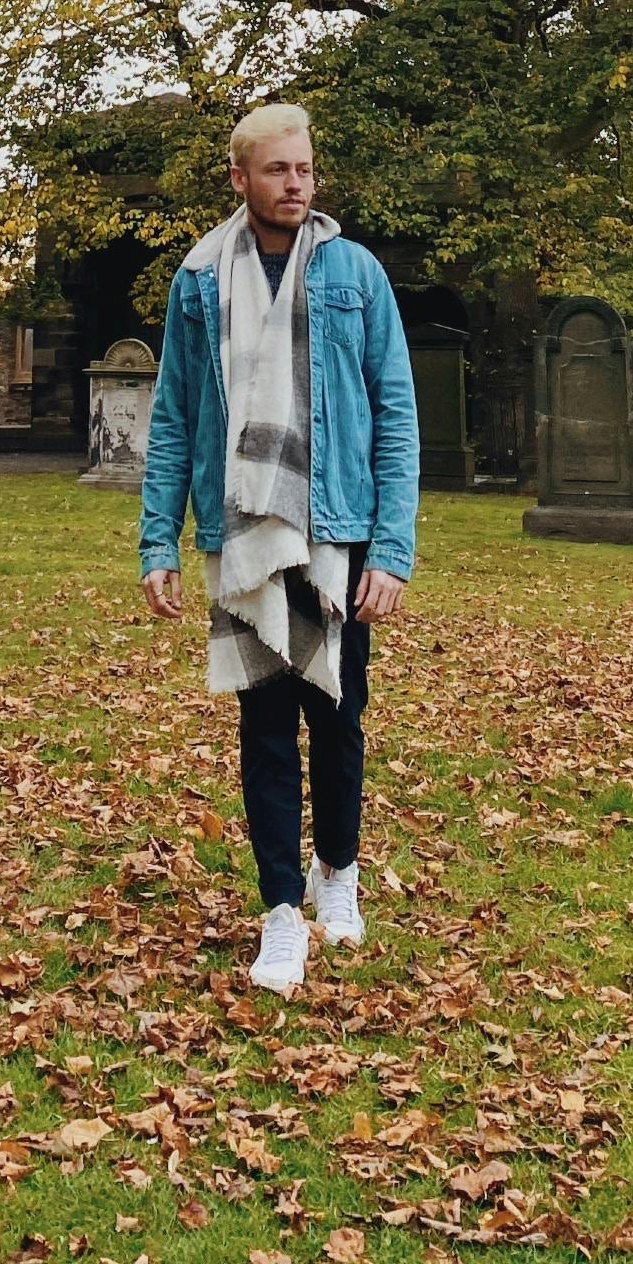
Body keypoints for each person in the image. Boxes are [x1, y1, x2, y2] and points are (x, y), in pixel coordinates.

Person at [139, 102, 419, 995]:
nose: (296, 184)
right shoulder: (198, 283)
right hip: (245, 535)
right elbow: (176, 418)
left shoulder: (357, 274)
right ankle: (281, 910)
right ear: (241, 178)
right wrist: (160, 541)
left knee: (338, 719)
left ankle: (340, 870)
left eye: (304, 169)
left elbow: (395, 417)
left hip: (339, 532)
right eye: (278, 171)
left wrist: (394, 550)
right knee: (264, 729)